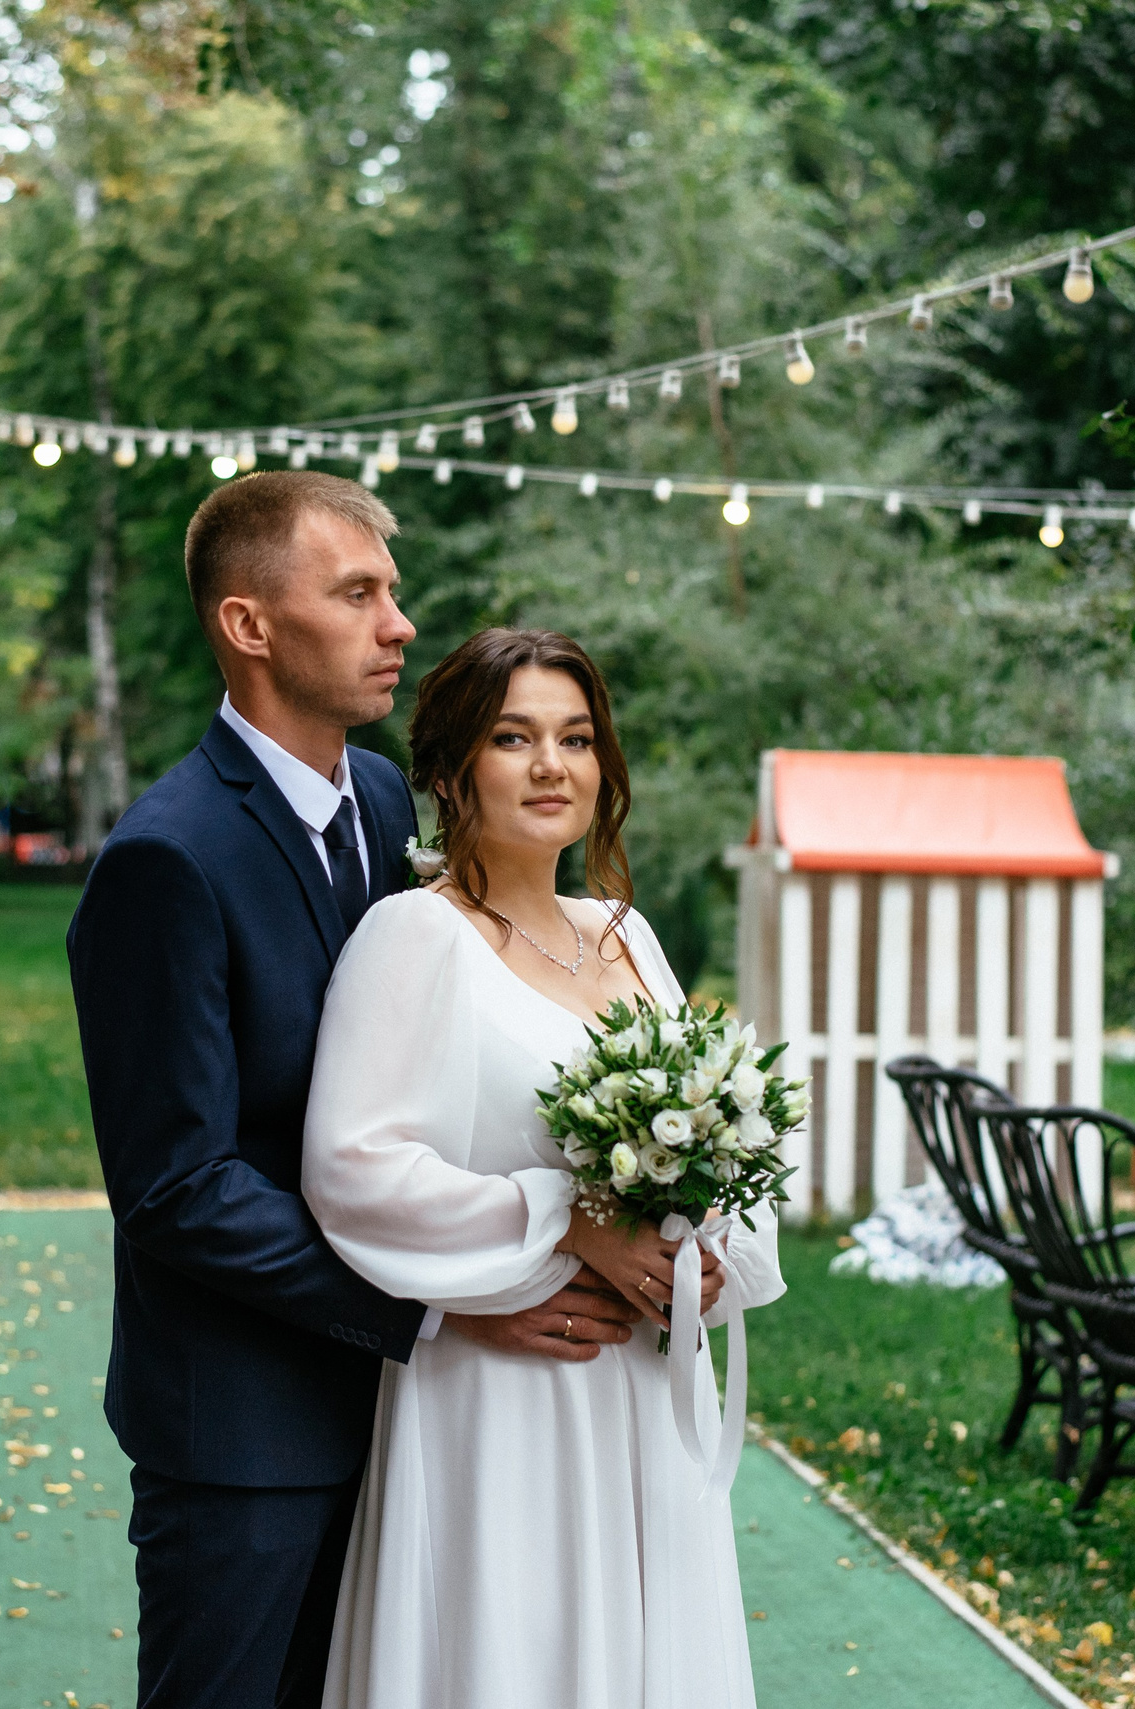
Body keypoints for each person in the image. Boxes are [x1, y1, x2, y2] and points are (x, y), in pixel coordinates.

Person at [67, 476, 642, 1709]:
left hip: (415, 1426)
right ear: (250, 625)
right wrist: (445, 1306)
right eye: (359, 593)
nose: (399, 624)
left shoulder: (384, 799)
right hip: (246, 1431)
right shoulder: (165, 860)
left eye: (393, 593)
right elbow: (178, 1187)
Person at [301, 627, 787, 1708]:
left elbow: (706, 1135)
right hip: (507, 1387)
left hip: (645, 1386)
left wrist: (702, 1255)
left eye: (575, 737)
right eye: (512, 736)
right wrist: (567, 1223)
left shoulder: (626, 935)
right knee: (511, 1652)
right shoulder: (410, 936)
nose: (551, 764)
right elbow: (354, 1166)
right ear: (449, 770)